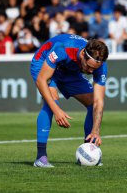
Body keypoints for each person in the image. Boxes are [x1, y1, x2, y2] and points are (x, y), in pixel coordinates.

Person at [30, 34, 109, 167]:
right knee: (52, 102)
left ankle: (88, 152)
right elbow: (41, 80)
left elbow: (98, 102)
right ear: (83, 54)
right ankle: (40, 157)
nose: (90, 71)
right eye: (88, 67)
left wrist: (96, 131)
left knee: (91, 102)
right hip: (43, 63)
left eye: (94, 69)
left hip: (69, 70)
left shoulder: (100, 65)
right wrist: (57, 110)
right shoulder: (62, 49)